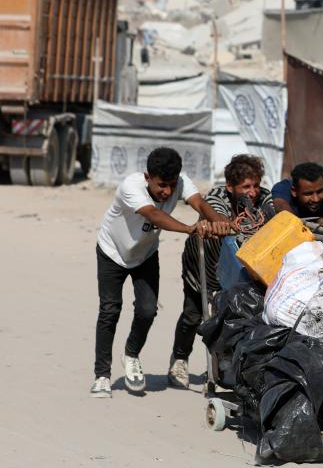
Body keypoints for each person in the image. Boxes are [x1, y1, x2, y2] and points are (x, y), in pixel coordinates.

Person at [91, 147, 232, 398]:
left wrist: (219, 221)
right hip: (112, 252)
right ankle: (102, 375)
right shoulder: (131, 186)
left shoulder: (181, 182)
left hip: (144, 255)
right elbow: (154, 215)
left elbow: (200, 203)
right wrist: (189, 228)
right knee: (110, 310)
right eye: (161, 186)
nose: (167, 192)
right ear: (148, 177)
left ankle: (131, 355)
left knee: (147, 310)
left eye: (172, 185)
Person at [168, 155, 273, 388]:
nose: (253, 192)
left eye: (256, 185)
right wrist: (223, 224)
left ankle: (223, 365)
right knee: (193, 314)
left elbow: (275, 215)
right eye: (246, 187)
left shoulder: (265, 198)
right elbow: (217, 217)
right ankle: (180, 358)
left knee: (235, 315)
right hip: (203, 265)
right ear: (230, 187)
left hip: (240, 269)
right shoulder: (216, 197)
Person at [270, 161, 323, 229]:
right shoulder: (282, 188)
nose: (316, 199)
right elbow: (281, 208)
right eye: (308, 194)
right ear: (294, 191)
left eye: (319, 192)